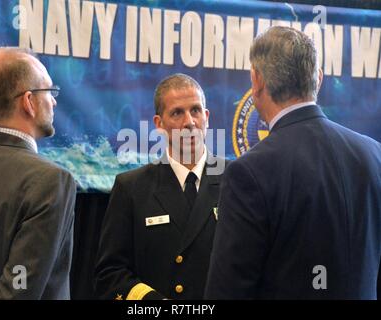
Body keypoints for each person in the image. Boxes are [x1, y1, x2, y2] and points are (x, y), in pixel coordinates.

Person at [205, 26, 381, 299]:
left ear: (257, 80)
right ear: (318, 79)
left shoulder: (249, 172)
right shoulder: (374, 154)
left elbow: (227, 292)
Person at [94, 73, 227, 300]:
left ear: (206, 117)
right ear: (159, 124)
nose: (189, 122)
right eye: (177, 112)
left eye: (195, 110)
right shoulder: (132, 188)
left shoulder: (236, 180)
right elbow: (110, 274)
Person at [0, 47, 77, 299]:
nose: (54, 100)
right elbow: (20, 287)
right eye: (49, 90)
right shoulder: (51, 180)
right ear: (29, 102)